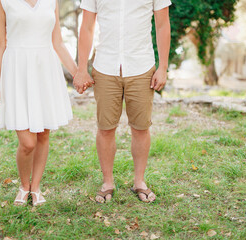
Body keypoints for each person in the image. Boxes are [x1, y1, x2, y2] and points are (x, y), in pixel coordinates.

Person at [73, 0, 171, 203]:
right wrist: (82, 68)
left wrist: (163, 68)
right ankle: (107, 182)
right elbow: (87, 26)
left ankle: (139, 181)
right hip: (105, 66)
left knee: (141, 127)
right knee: (105, 128)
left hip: (142, 65)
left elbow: (162, 24)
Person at [0, 0, 80, 206]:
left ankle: (35, 187)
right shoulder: (1, 1)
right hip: (17, 69)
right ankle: (23, 185)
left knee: (43, 134)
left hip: (45, 68)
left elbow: (58, 42)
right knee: (28, 142)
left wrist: (77, 72)